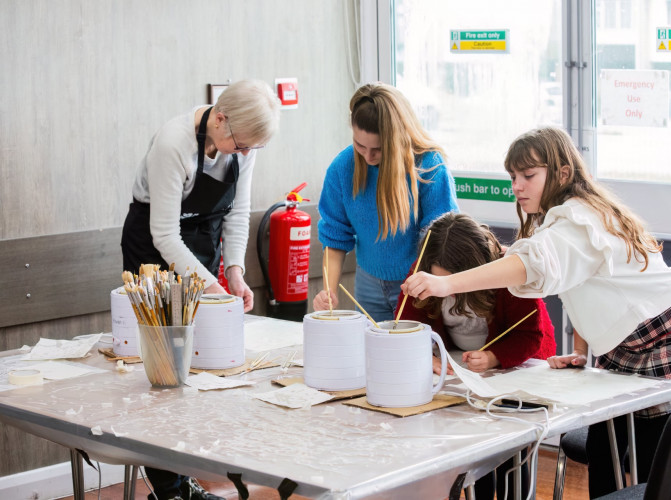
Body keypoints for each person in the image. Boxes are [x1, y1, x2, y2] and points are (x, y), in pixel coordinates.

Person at [402, 127, 671, 498]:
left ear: (562, 174)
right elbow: (585, 288)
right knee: (605, 451)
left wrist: (446, 284)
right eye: (513, 177)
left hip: (667, 338)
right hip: (627, 347)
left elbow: (532, 265)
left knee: (654, 464)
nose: (517, 186)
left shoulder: (576, 219)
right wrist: (583, 351)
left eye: (528, 175)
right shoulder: (562, 219)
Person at [120, 79, 280, 500]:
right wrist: (211, 286)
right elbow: (165, 234)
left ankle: (190, 477)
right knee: (164, 373)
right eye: (242, 145)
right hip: (154, 248)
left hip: (203, 242)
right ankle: (168, 491)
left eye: (252, 149)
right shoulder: (174, 142)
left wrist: (235, 273)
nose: (245, 155)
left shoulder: (243, 145)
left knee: (205, 368)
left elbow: (238, 212)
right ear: (221, 118)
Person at [396, 212, 556, 500]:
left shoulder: (508, 274)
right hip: (463, 375)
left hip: (517, 370)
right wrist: (426, 356)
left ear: (477, 270)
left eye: (453, 284)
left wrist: (495, 357)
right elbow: (407, 327)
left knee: (512, 451)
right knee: (473, 453)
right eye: (438, 283)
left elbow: (532, 336)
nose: (447, 292)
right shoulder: (422, 275)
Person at [312, 82, 459, 321]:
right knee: (372, 350)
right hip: (367, 285)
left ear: (397, 139)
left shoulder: (430, 166)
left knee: (415, 354)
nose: (368, 157)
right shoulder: (342, 167)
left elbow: (442, 241)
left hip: (417, 285)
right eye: (360, 145)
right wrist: (328, 289)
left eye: (378, 150)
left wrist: (430, 287)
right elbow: (335, 236)